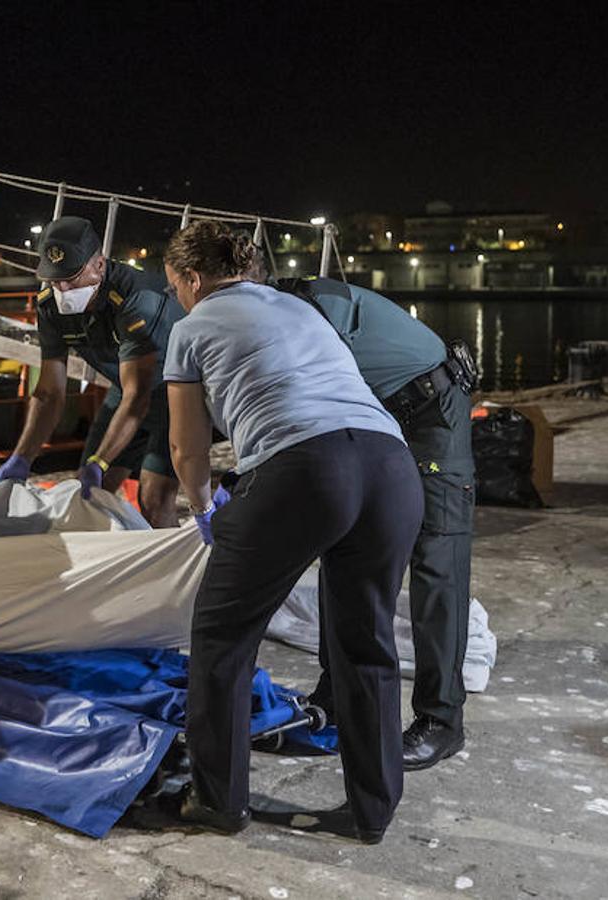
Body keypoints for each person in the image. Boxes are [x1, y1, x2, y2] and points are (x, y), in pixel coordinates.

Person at [156, 221, 422, 843]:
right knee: (365, 640)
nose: (176, 299)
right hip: (391, 466)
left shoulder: (191, 329)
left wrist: (204, 511)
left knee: (222, 635)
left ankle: (218, 800)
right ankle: (371, 810)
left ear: (193, 278)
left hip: (306, 468)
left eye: (175, 287)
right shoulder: (300, 309)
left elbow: (185, 447)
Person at [268, 271, 475, 772]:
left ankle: (441, 721)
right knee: (344, 546)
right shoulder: (271, 317)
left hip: (431, 414)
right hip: (381, 414)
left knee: (436, 563)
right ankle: (336, 697)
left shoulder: (312, 306)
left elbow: (310, 393)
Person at [0, 216, 184, 526]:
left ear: (99, 265)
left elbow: (139, 397)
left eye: (71, 277)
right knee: (91, 495)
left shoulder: (136, 300)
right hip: (125, 390)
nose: (63, 289)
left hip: (178, 392)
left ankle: (178, 572)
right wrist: (22, 458)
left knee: (155, 496)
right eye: (54, 280)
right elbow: (48, 392)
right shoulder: (49, 306)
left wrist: (101, 460)